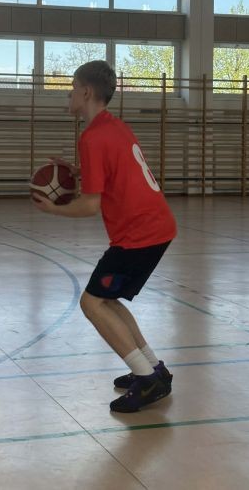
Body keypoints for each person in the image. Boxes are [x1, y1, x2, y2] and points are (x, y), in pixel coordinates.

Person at [32, 60, 177, 413]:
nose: (68, 94)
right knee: (107, 300)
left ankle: (147, 380)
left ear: (86, 92)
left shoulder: (92, 137)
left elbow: (89, 206)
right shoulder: (114, 127)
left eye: (72, 88)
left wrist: (52, 210)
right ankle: (153, 369)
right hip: (156, 227)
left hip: (139, 234)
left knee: (91, 303)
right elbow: (116, 170)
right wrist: (78, 170)